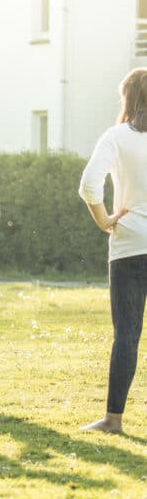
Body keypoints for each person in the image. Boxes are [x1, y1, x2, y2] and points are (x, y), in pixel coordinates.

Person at [79, 68, 147, 434]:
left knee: (127, 334)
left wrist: (103, 219)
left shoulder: (116, 137)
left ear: (128, 99)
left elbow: (89, 185)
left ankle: (113, 420)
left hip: (130, 246)